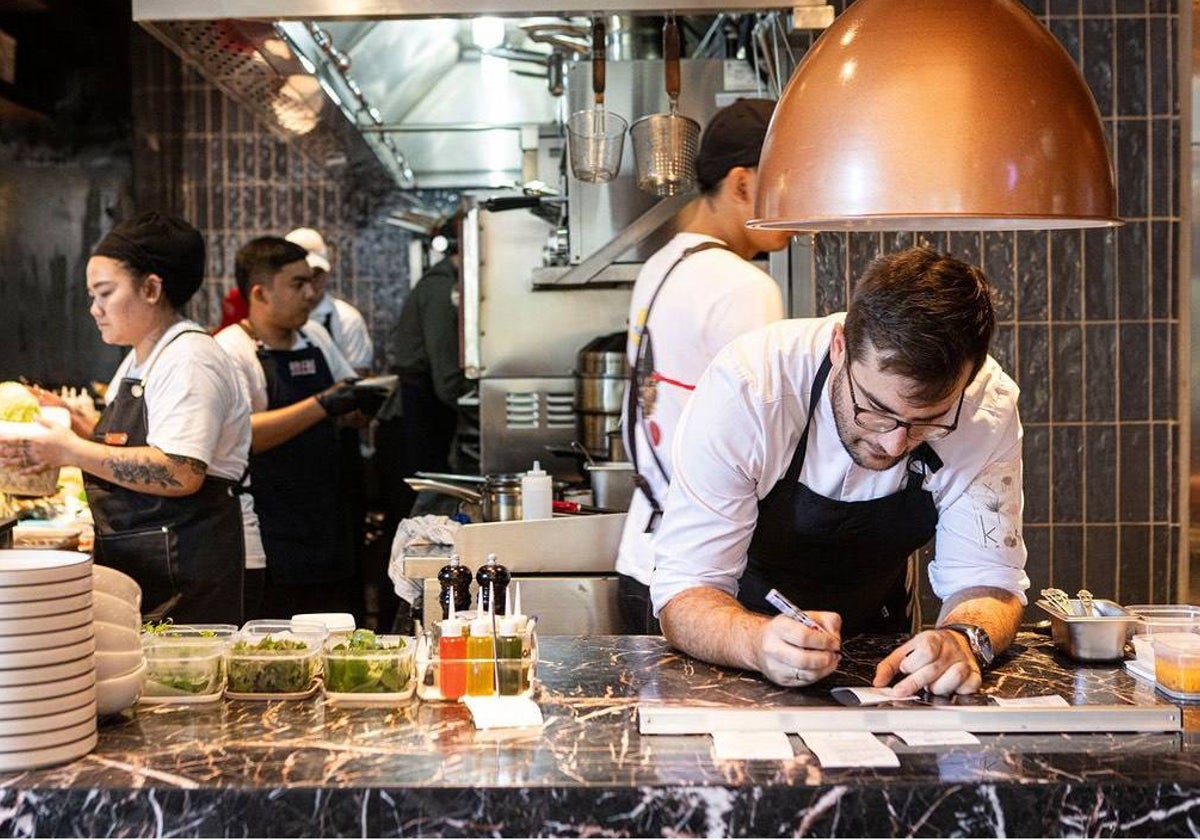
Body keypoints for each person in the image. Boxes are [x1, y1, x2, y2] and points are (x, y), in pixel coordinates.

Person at [650, 247, 1029, 697]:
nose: (894, 443)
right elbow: (687, 590)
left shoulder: (985, 409)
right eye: (876, 410)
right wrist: (754, 642)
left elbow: (987, 576)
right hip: (739, 647)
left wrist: (964, 640)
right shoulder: (751, 389)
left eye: (928, 420)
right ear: (840, 347)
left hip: (883, 652)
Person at [0, 212, 250, 624]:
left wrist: (72, 450)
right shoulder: (141, 358)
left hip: (189, 570)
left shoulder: (189, 358)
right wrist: (77, 424)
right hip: (155, 564)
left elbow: (181, 470)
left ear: (151, 288)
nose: (94, 309)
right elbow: (129, 448)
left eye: (105, 293)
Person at [617, 98, 792, 634]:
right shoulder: (744, 287)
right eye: (785, 184)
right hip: (704, 582)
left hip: (643, 559)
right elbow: (766, 443)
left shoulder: (662, 264)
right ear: (742, 184)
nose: (799, 209)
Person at [215, 236, 372, 620]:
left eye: (312, 283)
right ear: (260, 293)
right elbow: (244, 435)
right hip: (272, 528)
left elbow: (344, 396)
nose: (310, 294)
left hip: (328, 518)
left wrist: (360, 406)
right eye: (297, 284)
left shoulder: (314, 336)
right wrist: (321, 404)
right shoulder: (231, 350)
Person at [382, 216, 471, 520]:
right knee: (415, 514)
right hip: (415, 414)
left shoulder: (449, 281)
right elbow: (446, 380)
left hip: (425, 411)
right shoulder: (441, 288)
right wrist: (481, 411)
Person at [284, 227, 374, 375]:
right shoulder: (274, 321)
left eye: (316, 274)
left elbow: (358, 382)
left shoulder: (347, 319)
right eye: (300, 279)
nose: (309, 285)